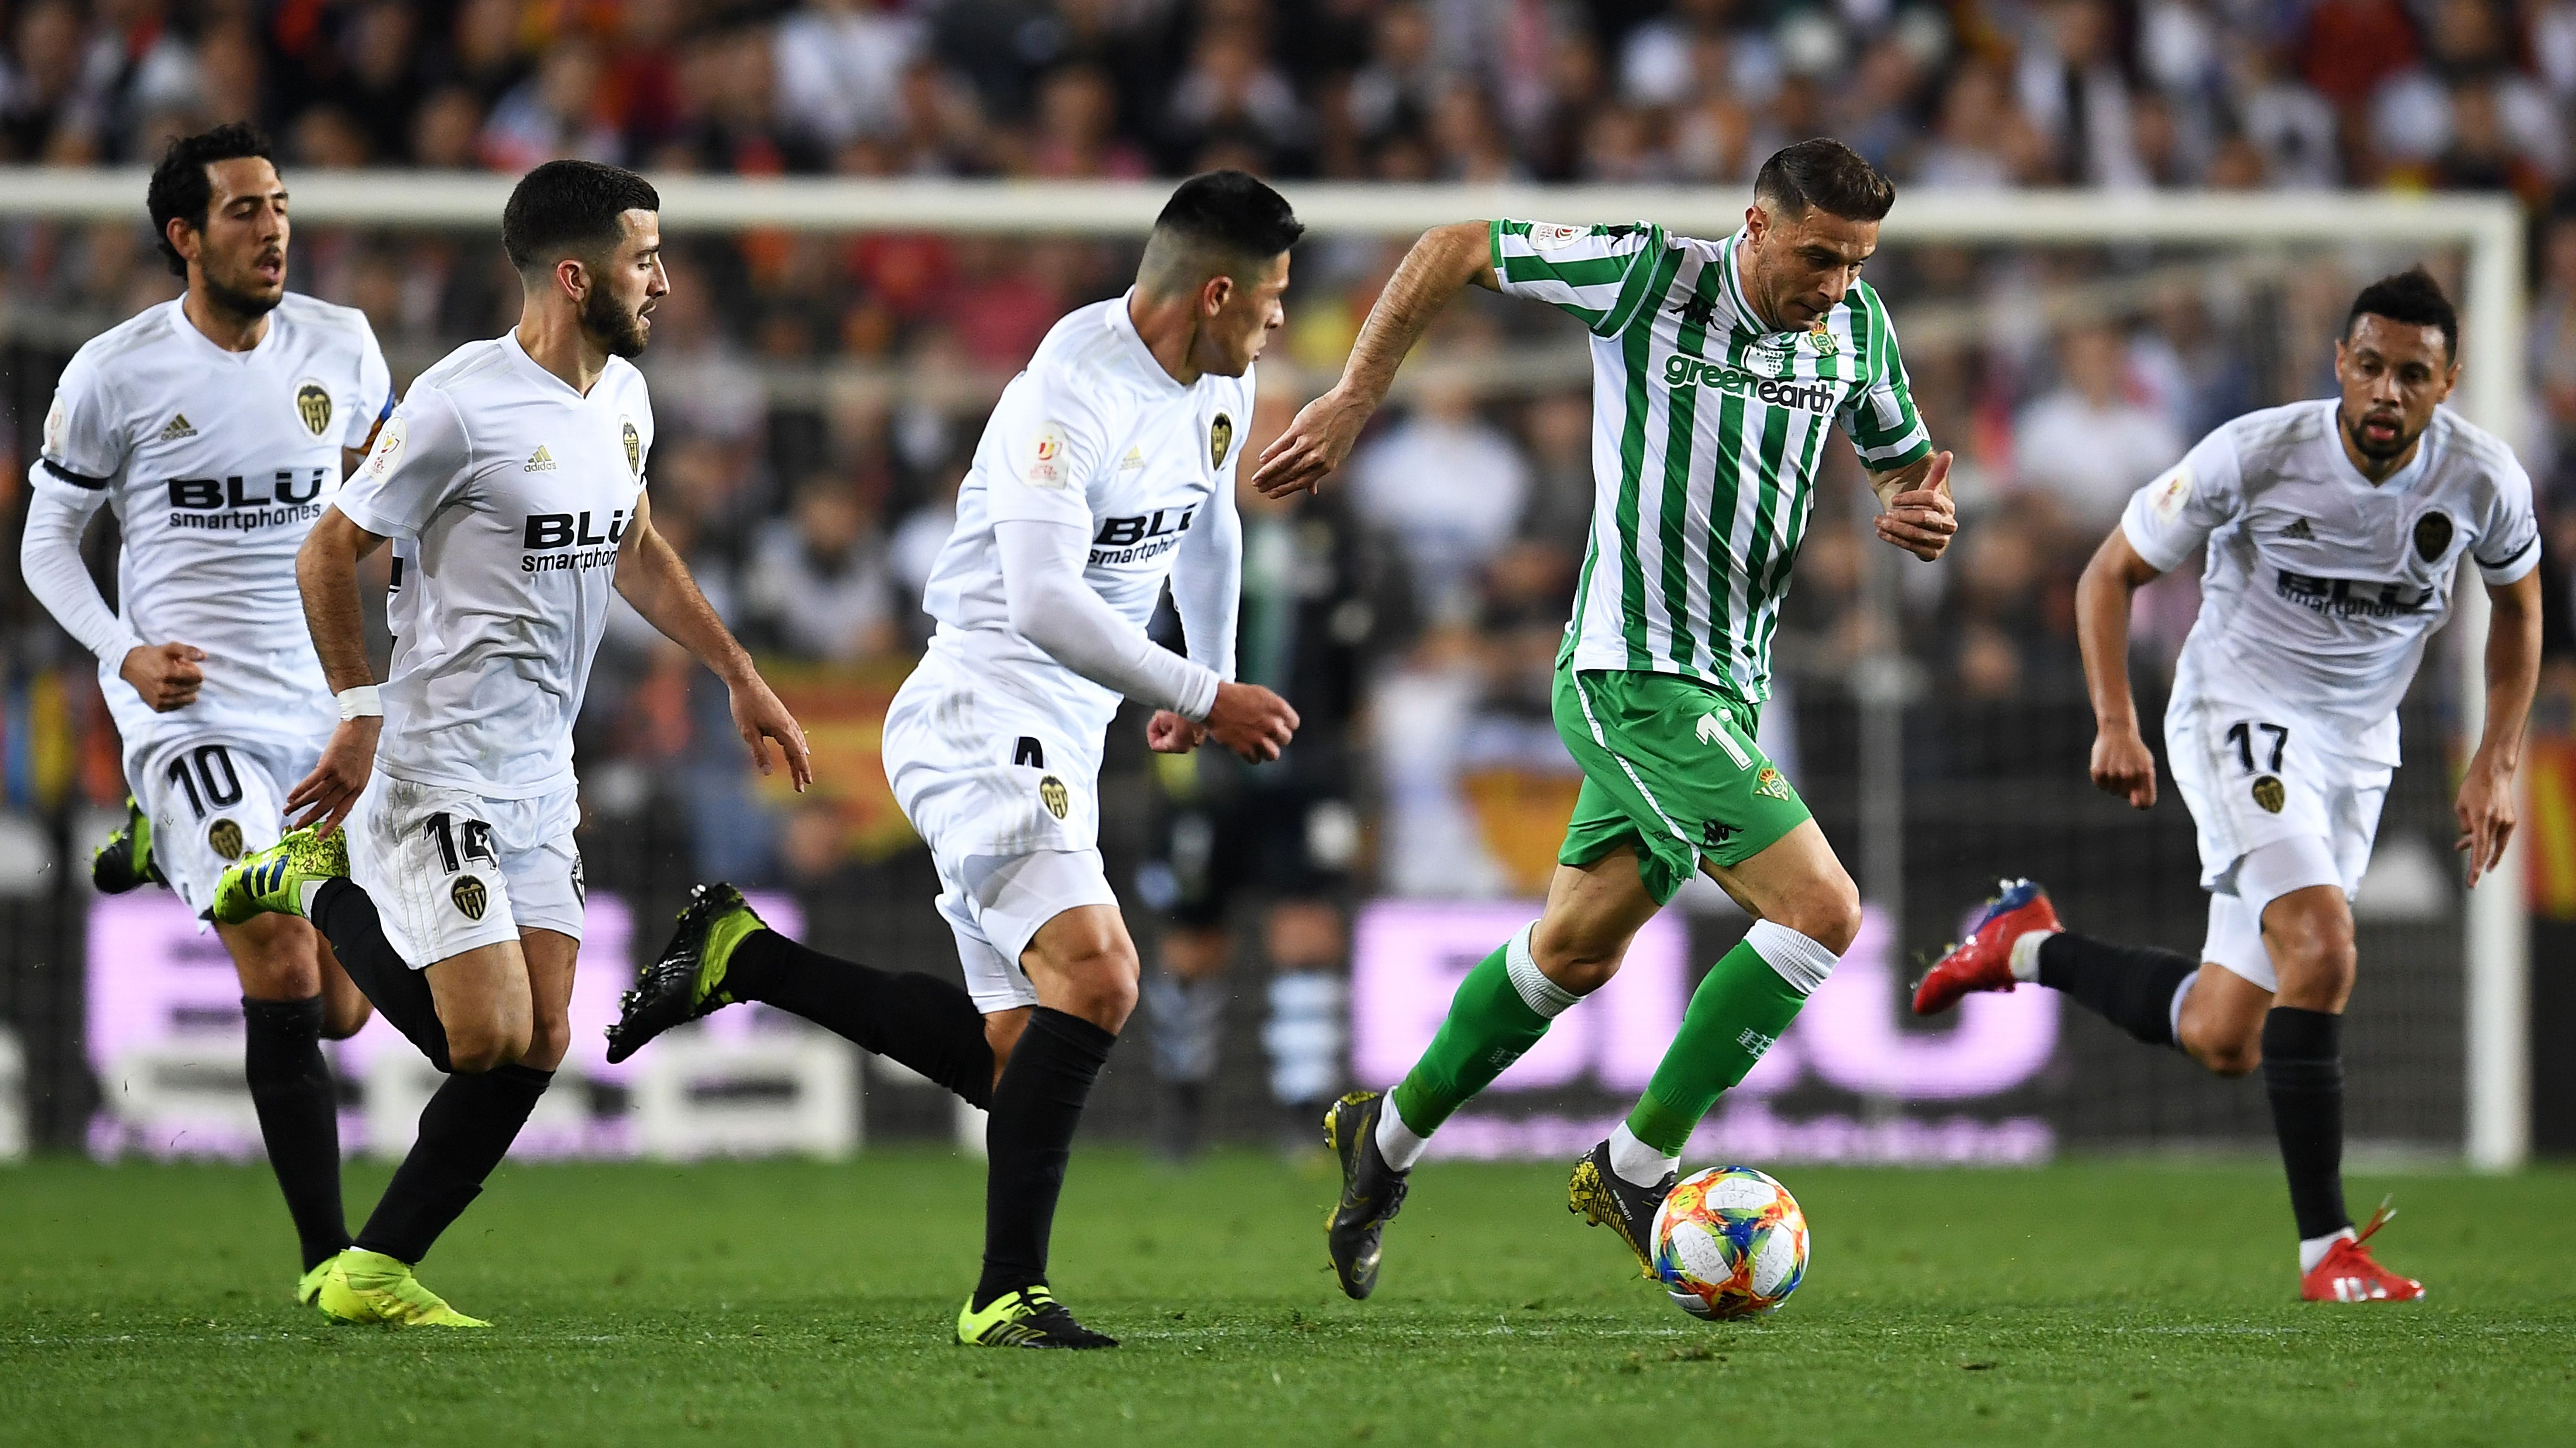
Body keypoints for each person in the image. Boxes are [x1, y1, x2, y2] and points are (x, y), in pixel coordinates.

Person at [604, 171, 1304, 1349]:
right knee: (1103, 977)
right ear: (1216, 290)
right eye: (1273, 297)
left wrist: (1210, 670)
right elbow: (1036, 599)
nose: (1282, 319)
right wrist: (1204, 692)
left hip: (1061, 733)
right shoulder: (1066, 396)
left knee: (1015, 1056)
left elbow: (1210, 521)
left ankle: (743, 955)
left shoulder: (1214, 382)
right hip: (984, 710)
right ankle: (1006, 1291)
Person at [1251, 137, 1958, 1298]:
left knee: (1573, 951)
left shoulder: (1857, 327)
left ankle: (1383, 1139)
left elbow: (1906, 464)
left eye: (1858, 262)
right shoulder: (1652, 278)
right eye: (1820, 258)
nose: (1836, 284)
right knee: (1823, 910)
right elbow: (1453, 245)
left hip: (1729, 683)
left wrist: (1924, 509)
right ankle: (1635, 1168)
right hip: (1631, 671)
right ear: (1757, 225)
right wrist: (1351, 399)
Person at [213, 159, 810, 1327]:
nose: (667, 283)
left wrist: (738, 672)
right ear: (575, 275)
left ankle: (373, 1269)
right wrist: (359, 708)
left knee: (540, 1038)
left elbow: (634, 545)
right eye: (645, 260)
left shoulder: (624, 398)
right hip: (436, 756)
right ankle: (307, 881)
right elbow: (326, 552)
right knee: (476, 1033)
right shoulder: (458, 401)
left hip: (543, 769)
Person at [1914, 268, 2539, 1304]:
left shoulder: (2482, 478)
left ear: (2448, 380)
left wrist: (2496, 756)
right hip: (2236, 712)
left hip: (2357, 748)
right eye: (2371, 366)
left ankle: (2020, 940)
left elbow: (2517, 611)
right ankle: (2326, 1248)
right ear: (2340, 362)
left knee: (2221, 1033)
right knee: (2323, 944)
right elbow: (2106, 574)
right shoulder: (2255, 452)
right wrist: (2116, 719)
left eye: (2413, 374)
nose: (2387, 391)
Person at [21, 123, 388, 1305]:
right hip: (192, 714)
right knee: (279, 952)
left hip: (320, 711)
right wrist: (124, 654)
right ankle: (332, 1259)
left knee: (338, 1005)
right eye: (242, 210)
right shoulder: (114, 372)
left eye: (279, 203)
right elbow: (44, 544)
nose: (272, 226)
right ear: (185, 236)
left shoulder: (344, 345)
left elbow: (382, 513)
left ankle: (152, 834)